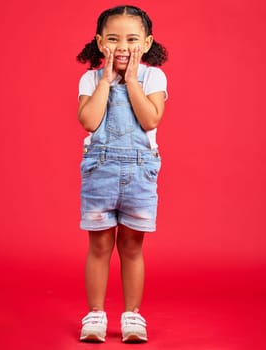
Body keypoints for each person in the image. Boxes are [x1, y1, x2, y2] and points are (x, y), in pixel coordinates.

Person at [76, 5, 168, 343]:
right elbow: (89, 121)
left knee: (132, 245)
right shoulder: (90, 78)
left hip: (140, 170)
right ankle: (95, 314)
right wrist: (106, 80)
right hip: (101, 168)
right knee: (99, 244)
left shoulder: (152, 77)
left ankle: (132, 315)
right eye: (113, 39)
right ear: (101, 43)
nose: (123, 47)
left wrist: (130, 80)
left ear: (146, 43)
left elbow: (150, 120)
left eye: (132, 39)